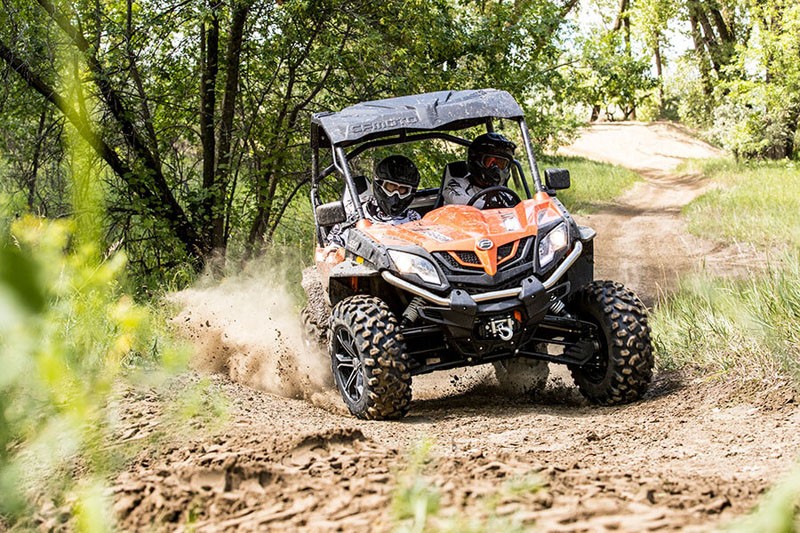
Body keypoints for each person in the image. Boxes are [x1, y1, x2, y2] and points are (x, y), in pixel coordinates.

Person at [327, 155, 421, 247]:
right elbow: (331, 250)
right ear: (379, 184)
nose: (396, 194)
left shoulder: (414, 218)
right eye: (391, 187)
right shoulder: (356, 214)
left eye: (402, 189)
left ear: (410, 192)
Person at [442, 132, 516, 206]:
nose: (496, 168)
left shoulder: (504, 193)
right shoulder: (456, 184)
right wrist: (490, 206)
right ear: (476, 160)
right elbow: (456, 199)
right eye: (490, 161)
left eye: (501, 163)